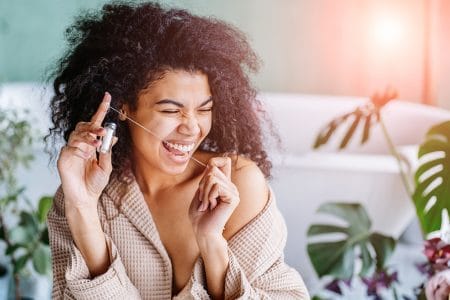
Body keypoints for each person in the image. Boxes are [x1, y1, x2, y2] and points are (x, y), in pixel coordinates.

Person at [46, 2, 309, 299]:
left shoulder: (237, 184)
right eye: (171, 111)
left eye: (204, 109)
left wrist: (212, 244)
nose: (192, 127)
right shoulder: (84, 195)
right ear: (124, 108)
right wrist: (83, 209)